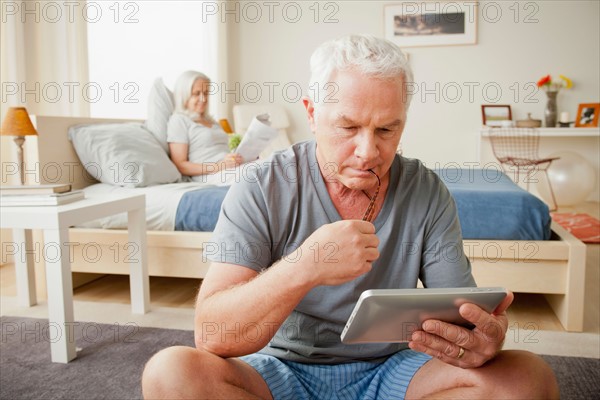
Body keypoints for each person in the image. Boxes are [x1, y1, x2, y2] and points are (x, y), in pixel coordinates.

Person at [142, 35, 559, 399]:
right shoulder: (260, 186)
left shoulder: (426, 190)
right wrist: (304, 266)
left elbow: (460, 317)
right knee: (171, 375)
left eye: (386, 130)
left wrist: (481, 339)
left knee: (527, 380)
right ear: (311, 113)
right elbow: (212, 335)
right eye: (348, 127)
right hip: (280, 371)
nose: (367, 152)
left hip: (395, 370)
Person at [168, 70, 242, 181]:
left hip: (229, 169)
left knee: (270, 165)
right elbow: (180, 165)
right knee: (262, 172)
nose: (203, 99)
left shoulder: (212, 122)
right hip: (210, 175)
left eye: (206, 93)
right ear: (184, 95)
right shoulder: (179, 120)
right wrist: (219, 166)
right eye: (197, 94)